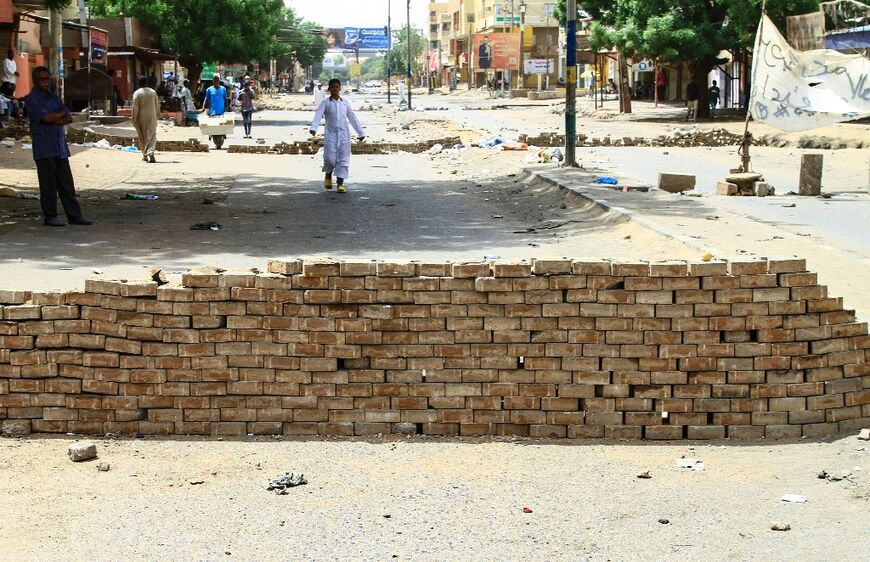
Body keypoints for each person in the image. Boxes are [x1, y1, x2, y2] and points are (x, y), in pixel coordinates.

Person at [24, 66, 91, 227]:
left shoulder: (53, 97)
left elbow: (68, 117)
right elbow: (45, 117)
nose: (45, 82)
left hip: (60, 147)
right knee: (48, 186)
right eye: (42, 79)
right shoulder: (32, 99)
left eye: (47, 79)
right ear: (35, 81)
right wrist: (56, 117)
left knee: (67, 184)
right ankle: (50, 216)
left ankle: (74, 216)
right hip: (44, 148)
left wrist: (56, 117)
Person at [309, 78, 365, 194]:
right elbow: (318, 115)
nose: (335, 89)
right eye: (332, 87)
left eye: (337, 87)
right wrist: (314, 128)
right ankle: (328, 175)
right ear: (329, 89)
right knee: (329, 158)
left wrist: (360, 133)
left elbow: (352, 117)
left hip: (344, 134)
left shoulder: (345, 103)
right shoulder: (325, 103)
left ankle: (340, 184)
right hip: (331, 134)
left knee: (343, 159)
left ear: (340, 89)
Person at [131, 76, 160, 163]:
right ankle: (150, 151)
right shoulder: (153, 92)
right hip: (151, 115)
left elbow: (135, 107)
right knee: (151, 135)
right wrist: (157, 116)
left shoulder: (137, 93)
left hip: (141, 116)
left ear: (139, 83)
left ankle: (145, 155)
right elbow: (156, 104)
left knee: (142, 135)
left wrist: (134, 119)